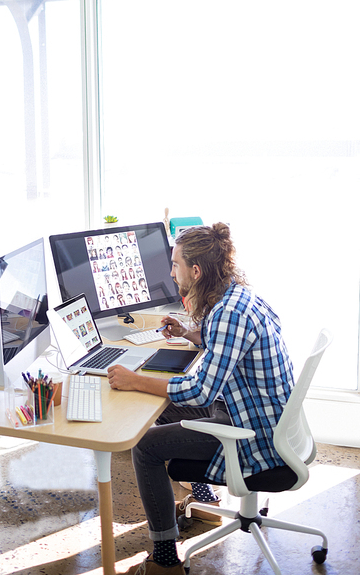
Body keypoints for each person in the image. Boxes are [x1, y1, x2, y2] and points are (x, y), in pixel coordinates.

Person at [108, 222, 294, 575]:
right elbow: (224, 344)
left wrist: (136, 380)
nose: (171, 272)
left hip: (252, 432)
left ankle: (165, 561)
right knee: (164, 411)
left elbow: (199, 391)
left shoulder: (229, 313)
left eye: (176, 265)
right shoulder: (237, 295)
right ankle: (205, 500)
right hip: (256, 412)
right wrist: (189, 334)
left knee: (145, 446)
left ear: (196, 270)